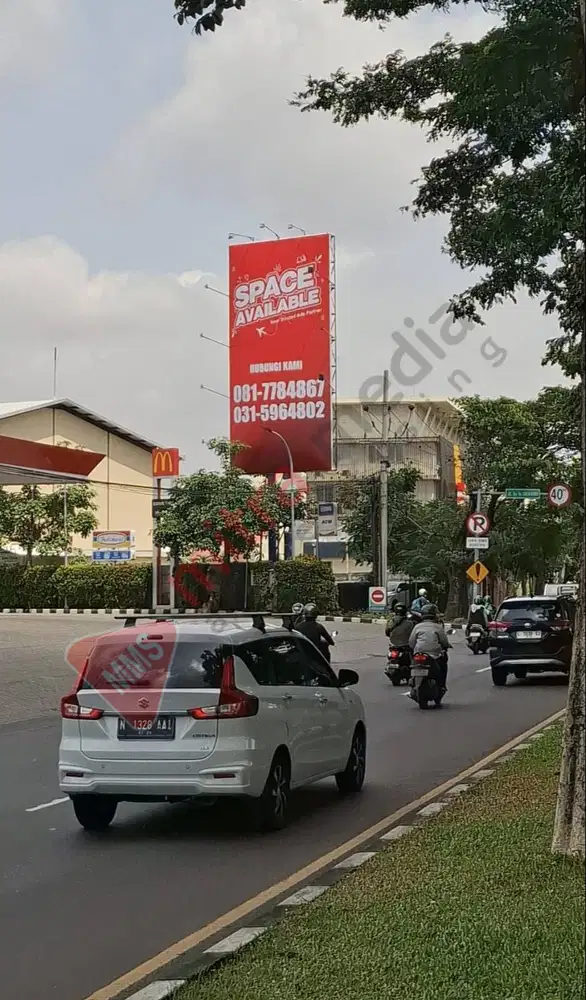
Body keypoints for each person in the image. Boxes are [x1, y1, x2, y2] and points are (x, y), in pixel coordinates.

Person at [408, 603, 450, 689]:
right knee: (443, 665)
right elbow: (444, 642)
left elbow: (411, 642)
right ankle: (442, 685)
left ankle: (412, 680)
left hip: (419, 653)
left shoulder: (417, 627)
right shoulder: (438, 627)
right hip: (434, 655)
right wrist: (445, 647)